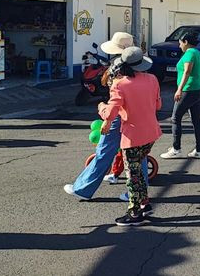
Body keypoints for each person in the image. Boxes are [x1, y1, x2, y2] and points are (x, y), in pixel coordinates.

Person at [63, 32, 148, 200]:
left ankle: (84, 188)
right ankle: (139, 194)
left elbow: (115, 99)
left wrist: (104, 112)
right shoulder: (143, 70)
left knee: (104, 152)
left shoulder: (116, 67)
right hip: (139, 116)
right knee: (139, 157)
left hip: (118, 115)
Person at [97, 46, 162, 226]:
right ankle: (144, 203)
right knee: (138, 170)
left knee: (132, 174)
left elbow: (111, 111)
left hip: (133, 135)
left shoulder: (120, 83)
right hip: (151, 133)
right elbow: (158, 105)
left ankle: (134, 213)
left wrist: (101, 108)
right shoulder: (152, 79)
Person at [161, 32, 200, 159]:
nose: (179, 45)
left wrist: (179, 89)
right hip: (199, 89)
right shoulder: (197, 52)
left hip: (189, 90)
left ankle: (176, 148)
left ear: (186, 42)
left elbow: (187, 71)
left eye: (180, 43)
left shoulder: (189, 53)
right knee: (196, 120)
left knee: (175, 118)